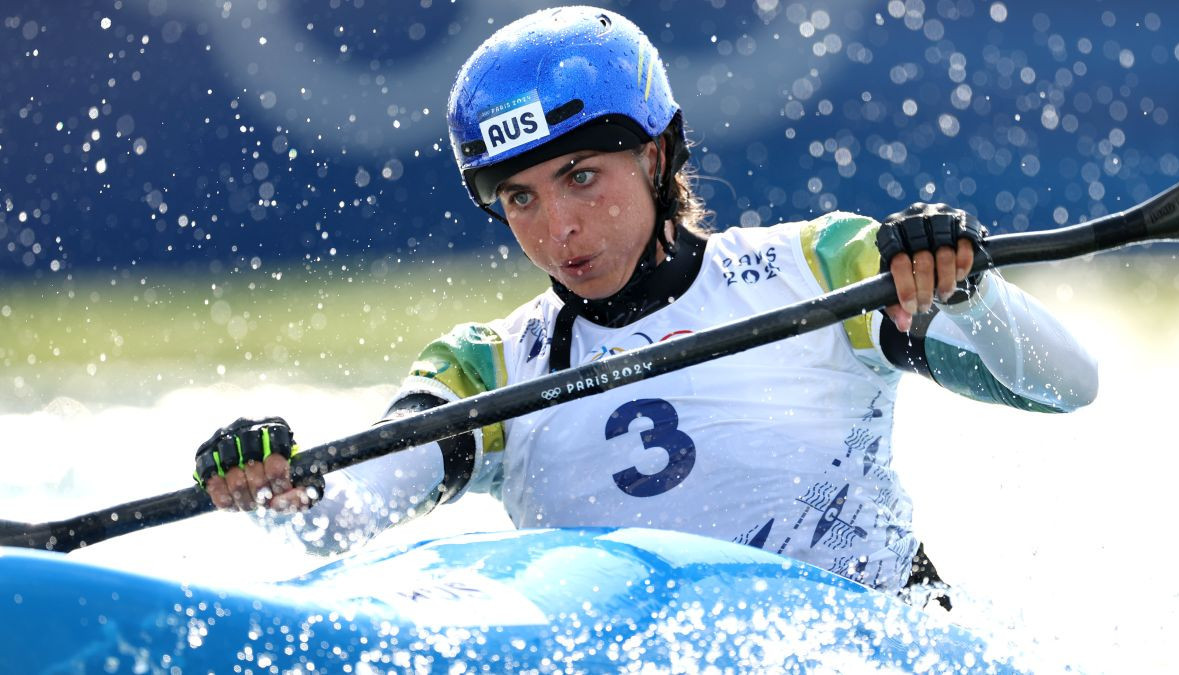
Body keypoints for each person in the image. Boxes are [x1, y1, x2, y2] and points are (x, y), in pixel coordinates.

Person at [194, 7, 1097, 597]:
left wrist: (971, 291)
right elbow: (343, 520)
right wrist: (283, 485)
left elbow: (1068, 385)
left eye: (583, 176)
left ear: (659, 155)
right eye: (520, 198)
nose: (558, 229)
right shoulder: (491, 366)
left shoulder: (822, 270)